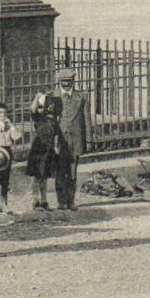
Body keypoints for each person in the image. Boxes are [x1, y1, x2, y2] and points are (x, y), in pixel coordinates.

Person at [54, 71, 90, 211]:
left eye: (69, 81)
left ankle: (71, 201)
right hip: (60, 139)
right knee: (60, 170)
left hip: (75, 139)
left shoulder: (81, 97)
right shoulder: (53, 96)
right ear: (59, 82)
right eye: (64, 81)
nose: (67, 84)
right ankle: (61, 202)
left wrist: (90, 139)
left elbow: (87, 119)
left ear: (73, 81)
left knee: (73, 170)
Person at [26, 91, 62, 211]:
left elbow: (56, 134)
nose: (51, 108)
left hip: (48, 150)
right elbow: (32, 109)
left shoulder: (54, 121)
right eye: (49, 105)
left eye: (53, 106)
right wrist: (37, 97)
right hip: (38, 149)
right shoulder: (39, 117)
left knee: (44, 177)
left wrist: (56, 147)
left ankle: (44, 200)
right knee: (36, 177)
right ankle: (34, 201)